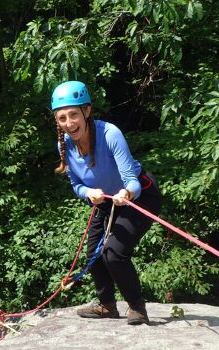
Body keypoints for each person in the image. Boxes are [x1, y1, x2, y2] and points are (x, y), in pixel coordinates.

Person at [51, 80, 162, 325]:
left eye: (73, 115)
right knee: (94, 253)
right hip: (105, 203)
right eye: (62, 118)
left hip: (140, 196)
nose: (69, 123)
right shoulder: (64, 145)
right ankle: (106, 305)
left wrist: (127, 194)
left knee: (113, 253)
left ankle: (137, 307)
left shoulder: (109, 134)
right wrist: (88, 192)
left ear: (87, 111)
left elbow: (132, 180)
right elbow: (77, 186)